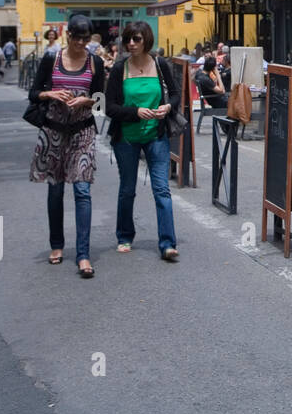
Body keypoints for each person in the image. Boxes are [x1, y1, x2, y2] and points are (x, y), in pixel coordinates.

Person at [29, 14, 105, 277]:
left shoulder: (94, 61)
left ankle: (83, 254)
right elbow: (33, 93)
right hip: (54, 132)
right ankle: (57, 245)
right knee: (55, 191)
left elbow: (101, 99)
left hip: (82, 133)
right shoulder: (52, 59)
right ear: (68, 35)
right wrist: (50, 93)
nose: (81, 43)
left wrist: (86, 101)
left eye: (86, 39)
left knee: (82, 191)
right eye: (77, 38)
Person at [105, 21, 181, 261]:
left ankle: (168, 243)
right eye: (128, 39)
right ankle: (125, 236)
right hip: (126, 137)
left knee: (162, 190)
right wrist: (135, 112)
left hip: (156, 135)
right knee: (127, 189)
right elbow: (109, 107)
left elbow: (177, 94)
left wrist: (168, 106)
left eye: (136, 39)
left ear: (146, 40)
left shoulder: (160, 65)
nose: (131, 44)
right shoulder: (120, 69)